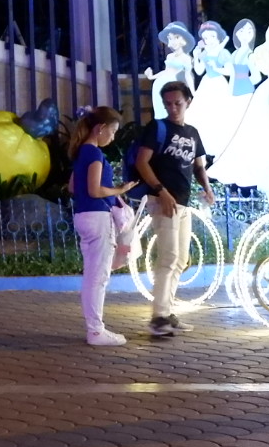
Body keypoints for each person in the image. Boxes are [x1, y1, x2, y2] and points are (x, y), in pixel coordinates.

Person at [130, 81, 213, 340]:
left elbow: (198, 166)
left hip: (183, 202)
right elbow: (142, 162)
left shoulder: (192, 132)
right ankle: (158, 318)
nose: (173, 108)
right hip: (163, 200)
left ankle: (167, 312)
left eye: (177, 103)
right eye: (168, 104)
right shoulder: (158, 127)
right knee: (169, 257)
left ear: (188, 101)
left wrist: (207, 188)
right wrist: (160, 190)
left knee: (180, 260)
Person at [70, 107, 138, 347]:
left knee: (93, 275)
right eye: (112, 131)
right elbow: (94, 190)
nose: (113, 137)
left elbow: (73, 187)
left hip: (83, 215)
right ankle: (96, 331)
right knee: (98, 277)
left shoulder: (81, 152)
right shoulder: (94, 153)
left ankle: (95, 328)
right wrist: (120, 189)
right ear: (100, 128)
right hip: (98, 217)